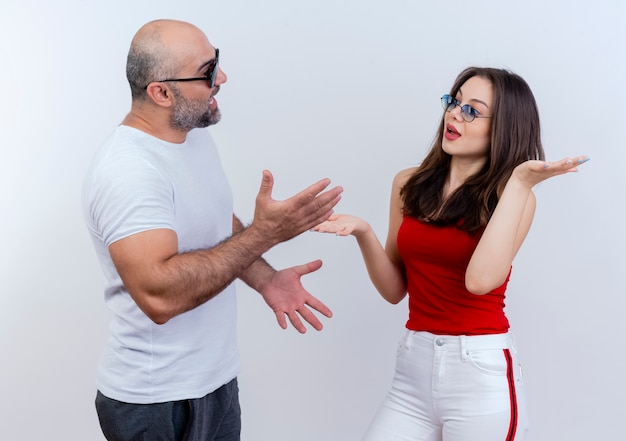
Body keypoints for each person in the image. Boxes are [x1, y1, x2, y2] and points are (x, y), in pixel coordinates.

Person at [82, 19, 343, 441]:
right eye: (207, 71)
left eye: (216, 60)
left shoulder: (190, 137)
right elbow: (158, 297)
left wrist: (267, 279)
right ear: (161, 93)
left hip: (215, 384)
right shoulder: (128, 171)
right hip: (154, 402)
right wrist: (266, 234)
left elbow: (216, 222)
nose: (222, 77)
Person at [313, 66, 589, 440]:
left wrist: (520, 182)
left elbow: (479, 282)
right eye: (454, 102)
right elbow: (395, 290)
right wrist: (363, 231)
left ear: (504, 128)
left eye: (472, 110)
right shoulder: (408, 183)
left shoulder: (515, 199)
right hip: (412, 371)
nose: (454, 114)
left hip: (479, 375)